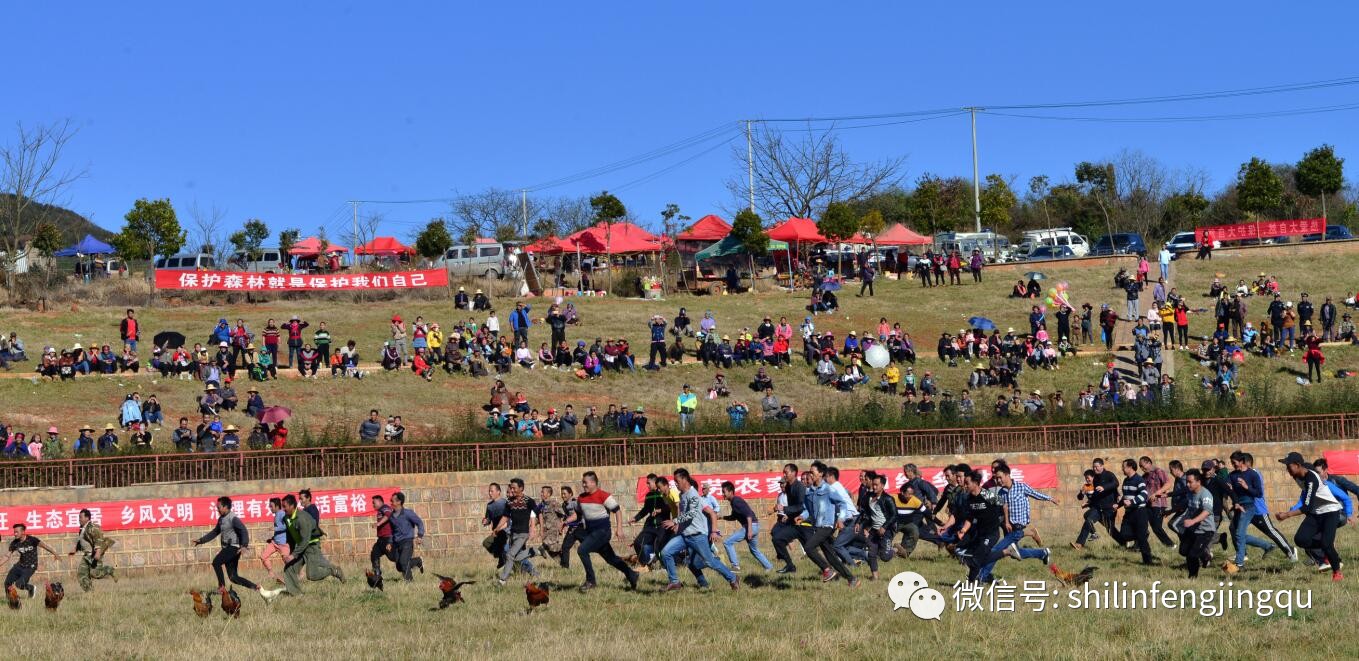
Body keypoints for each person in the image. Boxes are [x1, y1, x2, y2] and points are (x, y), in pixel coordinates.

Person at [660, 468, 739, 591]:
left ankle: (733, 578)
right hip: (684, 536)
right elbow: (684, 515)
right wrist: (678, 526)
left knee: (710, 562)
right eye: (674, 480)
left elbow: (692, 513)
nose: (675, 483)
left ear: (685, 479)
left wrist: (675, 521)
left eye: (677, 480)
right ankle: (675, 582)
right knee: (666, 552)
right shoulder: (682, 495)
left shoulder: (694, 494)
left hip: (697, 536)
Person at [192, 496, 283, 602]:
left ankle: (221, 587)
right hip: (228, 548)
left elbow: (243, 531)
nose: (217, 509)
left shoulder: (233, 518)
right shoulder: (221, 519)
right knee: (233, 577)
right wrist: (201, 540)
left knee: (216, 562)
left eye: (219, 507)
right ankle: (256, 587)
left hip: (233, 548)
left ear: (226, 507)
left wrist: (244, 545)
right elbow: (215, 532)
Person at [979, 464, 1056, 582]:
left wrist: (1050, 498)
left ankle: (982, 577)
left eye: (1000, 477)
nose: (998, 480)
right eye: (996, 478)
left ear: (1007, 475)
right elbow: (995, 503)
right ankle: (1043, 553)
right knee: (1016, 552)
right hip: (1010, 529)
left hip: (1018, 529)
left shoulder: (1021, 487)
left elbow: (1035, 494)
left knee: (995, 551)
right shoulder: (1002, 492)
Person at [1275, 452, 1343, 581]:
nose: (1287, 469)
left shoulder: (1311, 478)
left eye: (1289, 466)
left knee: (1327, 544)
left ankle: (1337, 572)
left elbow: (1306, 507)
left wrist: (1287, 515)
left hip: (1330, 511)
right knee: (1300, 539)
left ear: (1297, 465)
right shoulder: (1297, 475)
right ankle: (1326, 547)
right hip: (1316, 513)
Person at [569, 471, 639, 592]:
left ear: (593, 482)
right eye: (583, 483)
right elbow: (578, 514)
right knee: (611, 559)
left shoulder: (604, 495)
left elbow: (617, 511)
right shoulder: (581, 498)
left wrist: (619, 529)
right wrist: (565, 522)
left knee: (582, 550)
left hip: (602, 532)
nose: (583, 485)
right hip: (591, 533)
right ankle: (632, 574)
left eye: (585, 482)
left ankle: (591, 581)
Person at [795, 461, 859, 587]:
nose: (810, 475)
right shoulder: (810, 492)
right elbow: (809, 510)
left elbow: (842, 504)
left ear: (820, 474)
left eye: (812, 472)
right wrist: (802, 516)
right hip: (818, 527)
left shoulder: (829, 489)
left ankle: (827, 570)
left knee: (808, 547)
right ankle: (852, 579)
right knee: (831, 557)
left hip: (827, 525)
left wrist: (840, 519)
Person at [280, 493, 345, 595]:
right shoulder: (286, 518)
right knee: (289, 569)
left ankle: (334, 571)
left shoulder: (302, 518)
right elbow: (291, 537)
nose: (283, 509)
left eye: (285, 506)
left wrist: (293, 555)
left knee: (312, 575)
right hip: (301, 547)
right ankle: (297, 595)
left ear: (292, 506)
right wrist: (290, 553)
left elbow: (305, 540)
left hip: (311, 546)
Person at [494, 478, 539, 586]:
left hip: (524, 533)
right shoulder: (509, 502)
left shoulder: (529, 501)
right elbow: (505, 516)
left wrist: (532, 528)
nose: (512, 490)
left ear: (521, 488)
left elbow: (534, 513)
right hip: (513, 533)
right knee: (516, 557)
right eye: (511, 488)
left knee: (509, 555)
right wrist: (497, 527)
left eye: (514, 488)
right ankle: (535, 551)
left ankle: (502, 580)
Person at [721, 480, 773, 572]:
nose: (723, 494)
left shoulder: (736, 501)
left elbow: (748, 514)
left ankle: (735, 566)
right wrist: (721, 517)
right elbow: (733, 517)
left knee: (727, 542)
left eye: (724, 492)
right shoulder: (734, 502)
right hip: (754, 526)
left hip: (750, 526)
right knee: (754, 550)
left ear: (730, 491)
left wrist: (749, 530)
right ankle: (769, 567)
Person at [1072, 457, 1119, 549]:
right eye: (1093, 467)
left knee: (1110, 529)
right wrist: (1086, 500)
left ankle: (1124, 542)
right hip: (1097, 509)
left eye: (1096, 467)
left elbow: (1115, 484)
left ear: (1102, 466)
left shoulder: (1108, 475)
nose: (1095, 469)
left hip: (1108, 508)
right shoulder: (1091, 483)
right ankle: (1079, 544)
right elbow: (1091, 496)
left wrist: (1104, 488)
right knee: (1088, 519)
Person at [1178, 469, 1217, 578]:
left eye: (1190, 482)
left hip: (1205, 530)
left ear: (1198, 482)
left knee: (1192, 555)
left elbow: (1206, 511)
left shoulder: (1205, 494)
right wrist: (1170, 511)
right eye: (1187, 481)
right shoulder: (1190, 492)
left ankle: (1192, 577)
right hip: (1193, 528)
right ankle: (1205, 556)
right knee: (1183, 551)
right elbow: (1185, 503)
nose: (1187, 484)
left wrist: (1192, 521)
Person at [3, 523, 59, 598]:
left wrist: (55, 554)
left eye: (17, 532)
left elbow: (45, 546)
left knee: (19, 584)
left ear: (23, 532)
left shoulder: (32, 540)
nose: (15, 534)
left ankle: (31, 588)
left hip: (30, 567)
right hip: (20, 565)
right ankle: (9, 600)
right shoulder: (14, 543)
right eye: (14, 532)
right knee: (7, 582)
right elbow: (7, 556)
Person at [70, 509, 116, 591]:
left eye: (81, 517)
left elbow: (98, 539)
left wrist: (98, 552)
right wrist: (75, 549)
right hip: (87, 555)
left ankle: (110, 570)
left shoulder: (93, 528)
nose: (79, 519)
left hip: (93, 554)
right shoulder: (82, 528)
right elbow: (81, 539)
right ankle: (90, 592)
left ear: (87, 518)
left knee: (95, 573)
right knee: (82, 574)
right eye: (79, 517)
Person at [388, 491, 426, 581]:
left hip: (407, 541)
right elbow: (391, 531)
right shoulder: (391, 516)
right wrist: (390, 542)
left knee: (403, 562)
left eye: (392, 501)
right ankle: (417, 561)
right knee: (399, 567)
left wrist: (420, 535)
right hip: (397, 543)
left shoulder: (408, 513)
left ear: (399, 502)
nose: (391, 503)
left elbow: (419, 523)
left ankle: (409, 581)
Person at [260, 497, 290, 584]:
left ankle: (298, 573)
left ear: (277, 506)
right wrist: (272, 538)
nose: (270, 508)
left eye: (271, 506)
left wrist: (275, 528)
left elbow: (287, 526)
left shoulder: (282, 514)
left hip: (283, 543)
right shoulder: (277, 514)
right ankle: (271, 573)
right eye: (269, 506)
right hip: (274, 543)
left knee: (286, 560)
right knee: (263, 556)